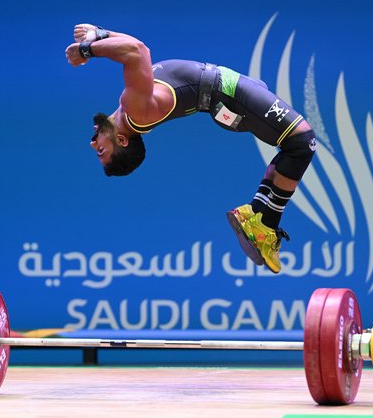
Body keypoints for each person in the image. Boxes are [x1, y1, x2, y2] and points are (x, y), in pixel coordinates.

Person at [66, 24, 316, 274]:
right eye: (100, 151)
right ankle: (264, 223)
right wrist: (87, 50)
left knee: (293, 144)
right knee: (302, 143)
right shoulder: (136, 111)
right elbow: (136, 50)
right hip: (229, 95)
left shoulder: (131, 108)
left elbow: (135, 47)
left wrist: (101, 34)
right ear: (122, 141)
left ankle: (258, 217)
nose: (92, 143)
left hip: (227, 93)